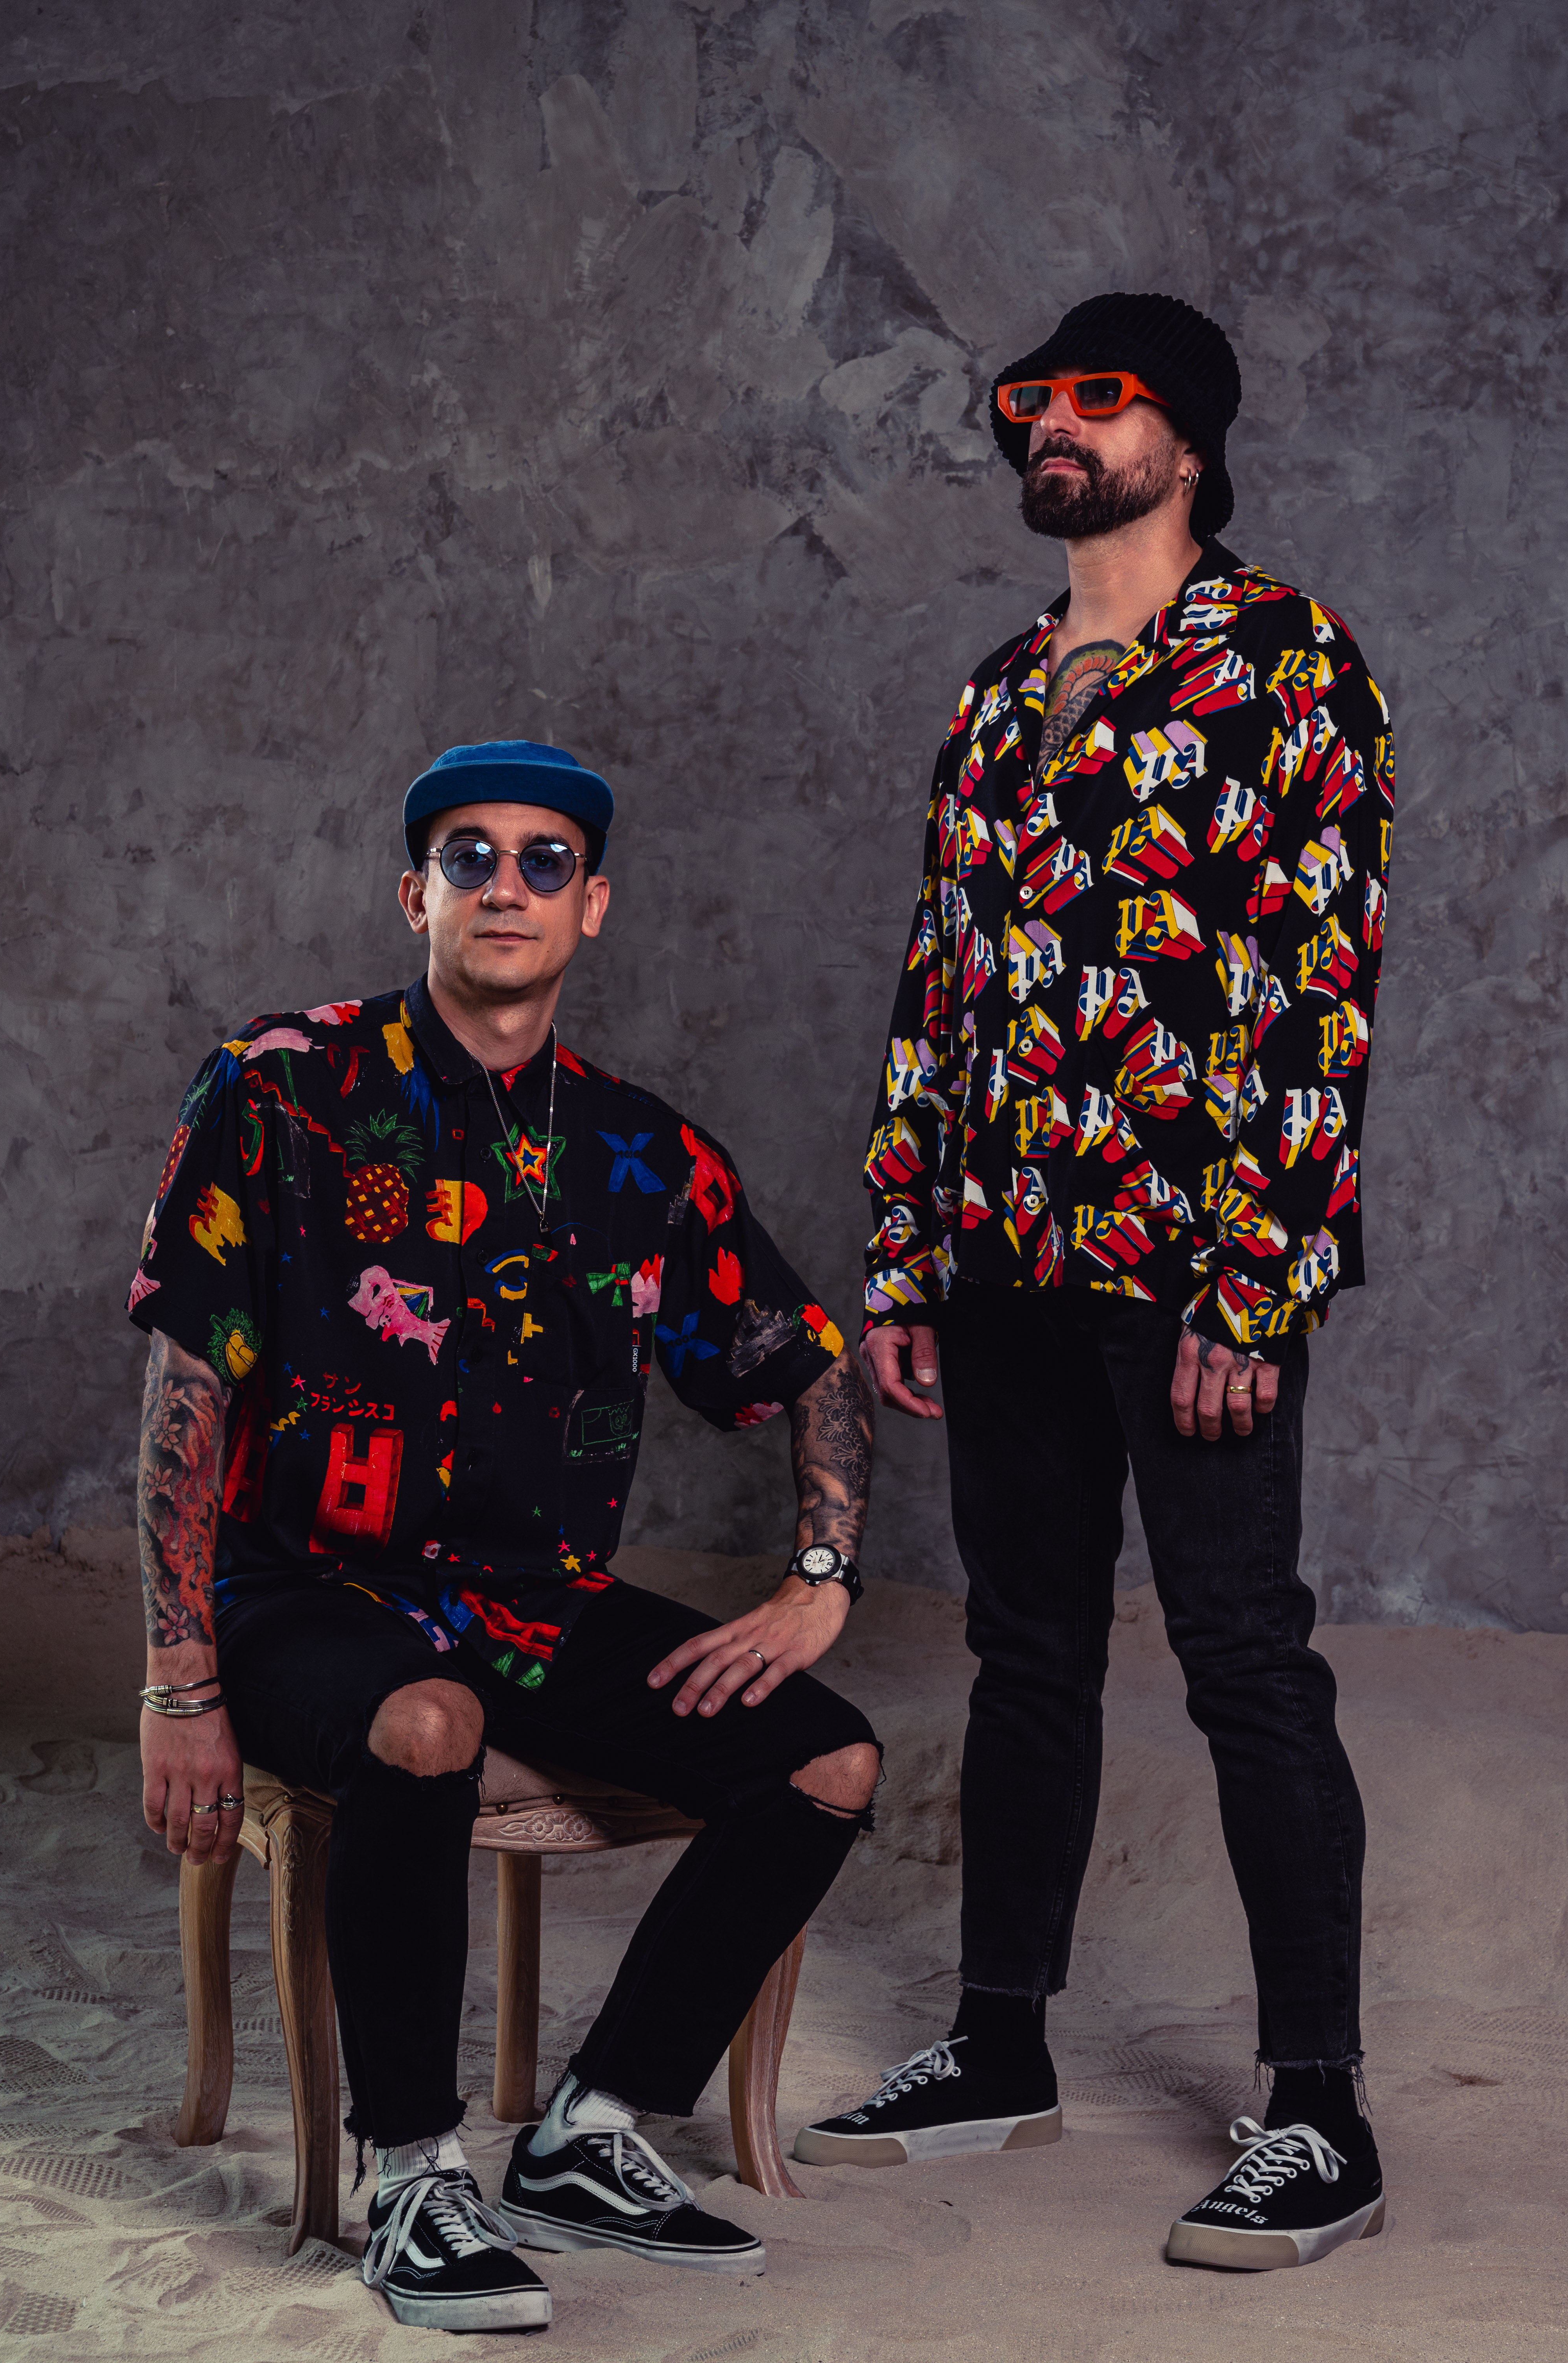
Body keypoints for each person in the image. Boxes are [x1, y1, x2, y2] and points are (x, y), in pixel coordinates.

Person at [129, 738, 881, 2333]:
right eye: (468, 856)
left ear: (592, 906)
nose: (507, 886)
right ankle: (415, 2174)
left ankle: (592, 2133)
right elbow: (186, 1385)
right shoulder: (279, 1088)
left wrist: (819, 1578)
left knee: (826, 1764)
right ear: (416, 894)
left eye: (547, 861)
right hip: (306, 1589)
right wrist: (179, 1676)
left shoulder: (642, 1153)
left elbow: (807, 1363)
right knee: (424, 1722)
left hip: (535, 1601)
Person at [796, 293, 1392, 2273]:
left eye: (1098, 397)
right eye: (1031, 397)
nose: (1052, 422)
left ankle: (1320, 2111)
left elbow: (1318, 984)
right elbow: (938, 985)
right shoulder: (994, 691)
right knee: (1026, 1652)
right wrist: (904, 1248)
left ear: (1188, 442)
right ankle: (997, 2049)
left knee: (1242, 1658)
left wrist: (1256, 1282)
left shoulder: (1285, 660)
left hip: (1191, 1264)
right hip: (998, 1256)